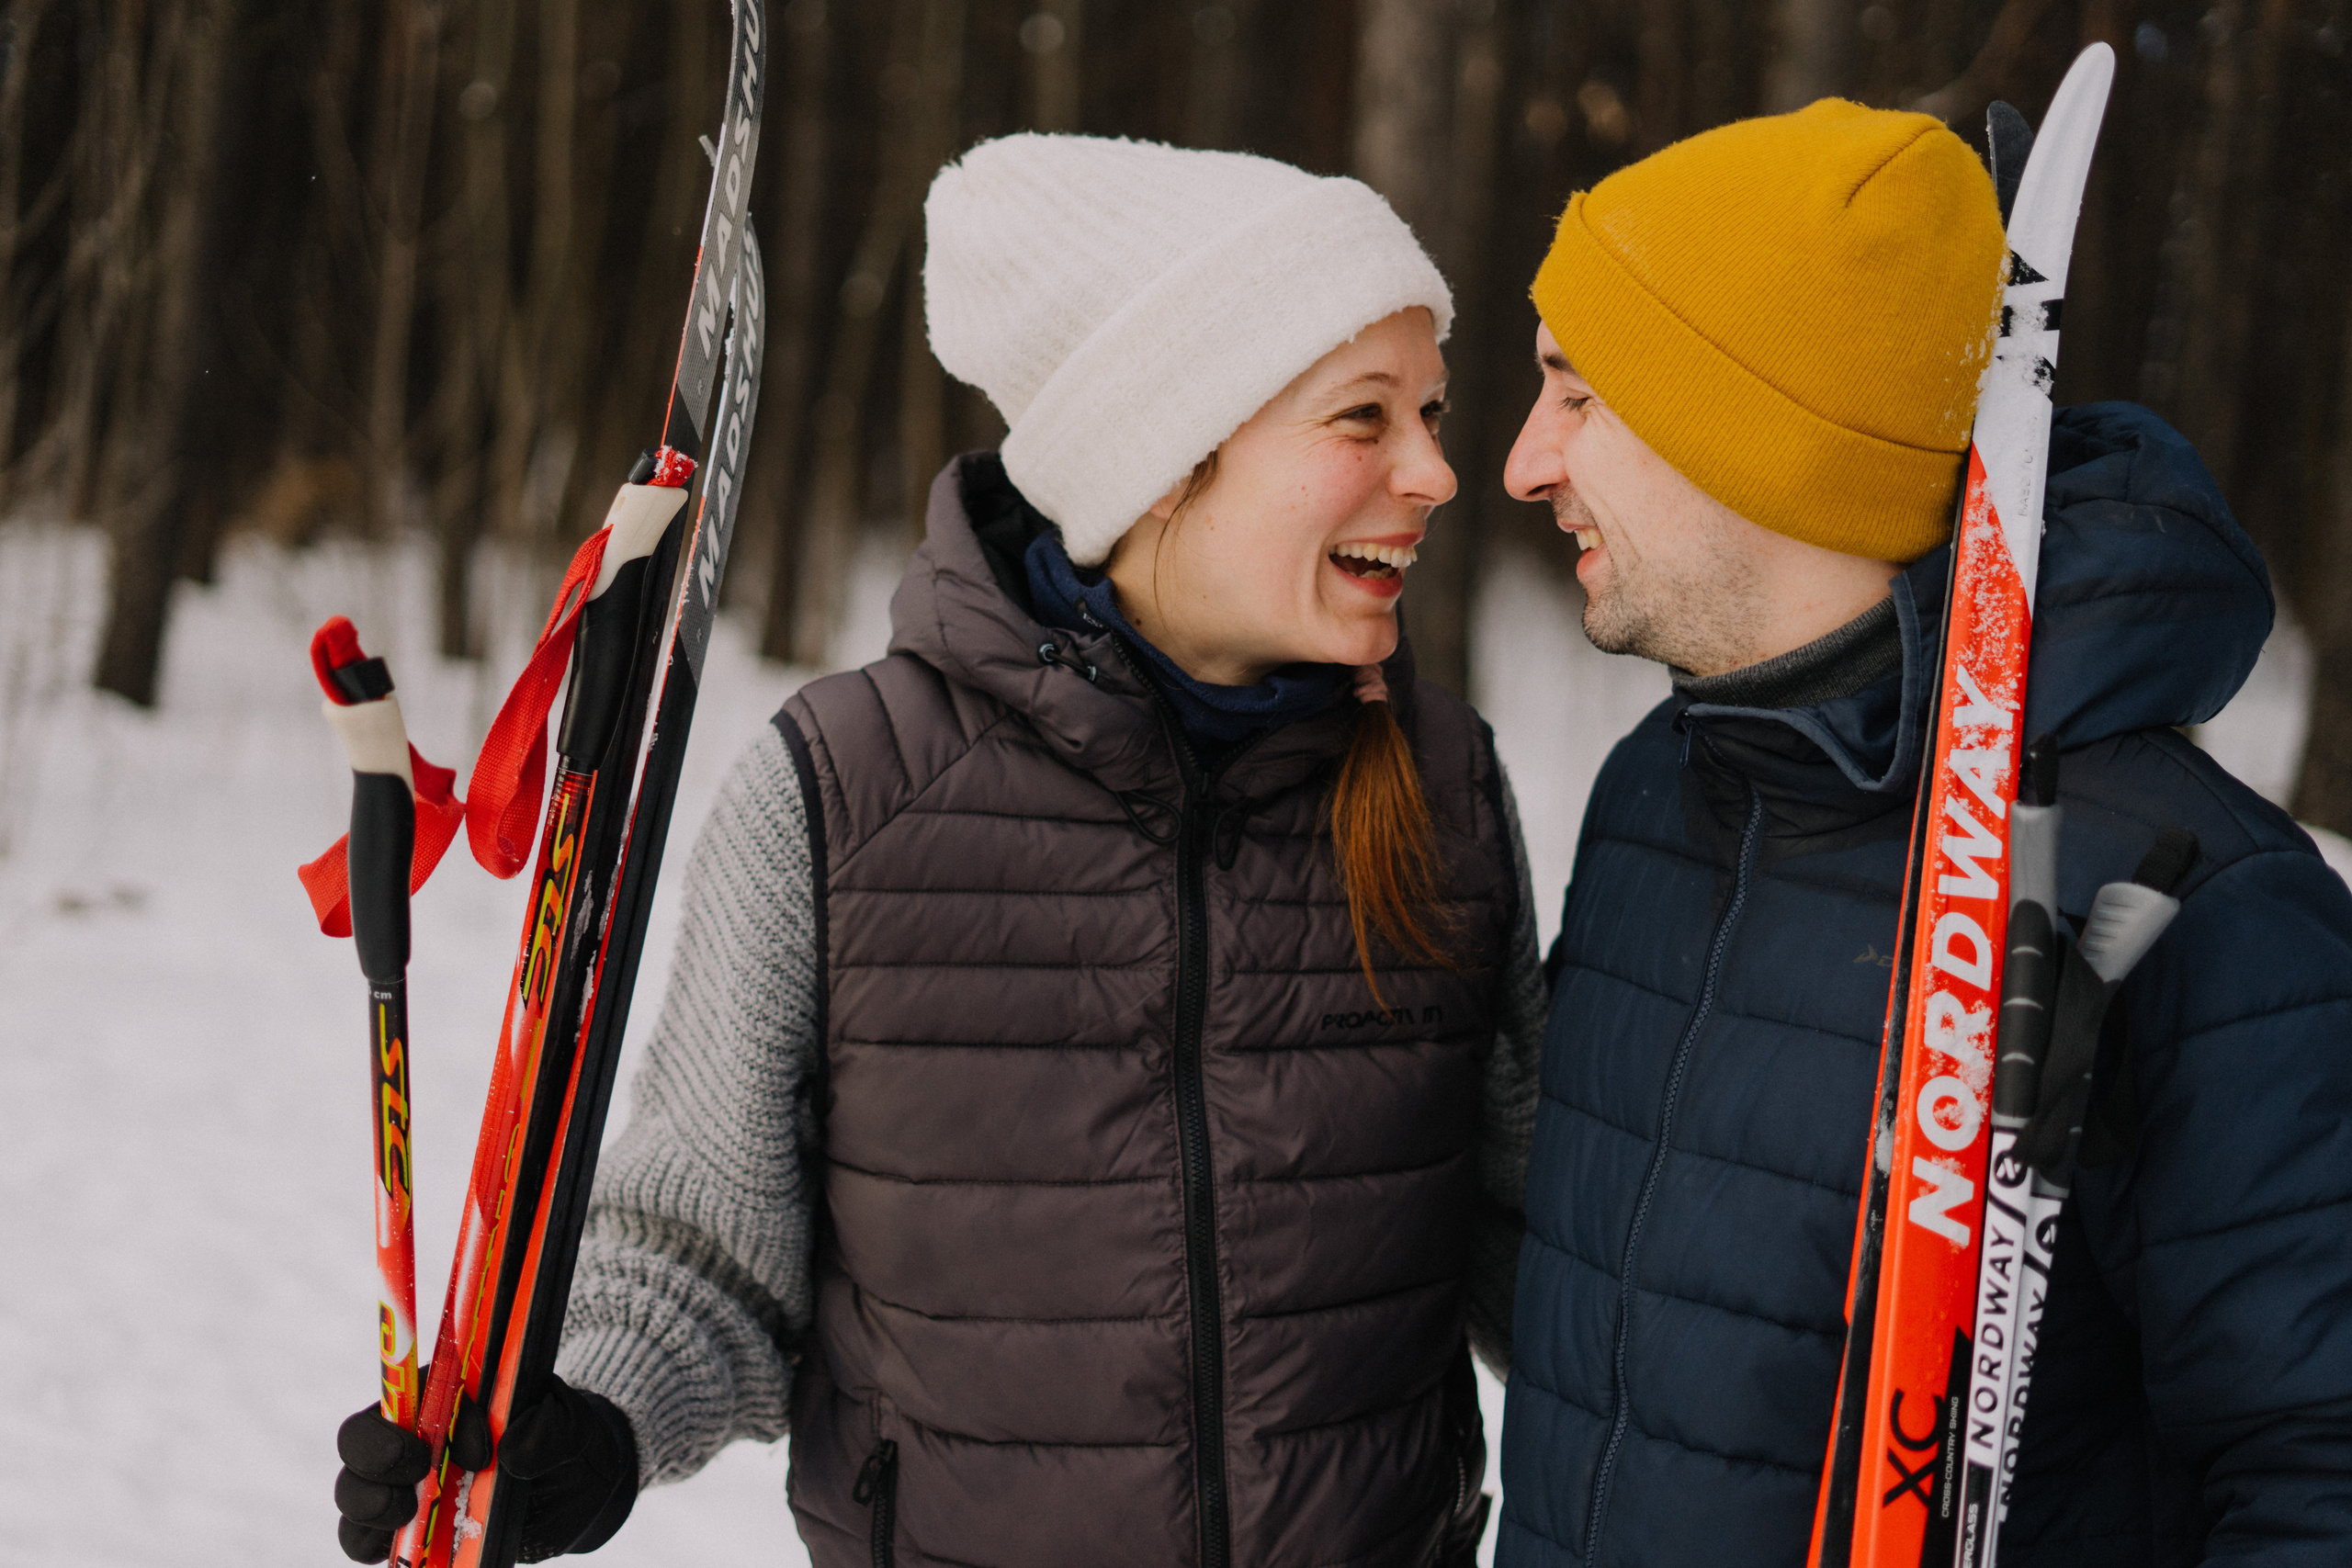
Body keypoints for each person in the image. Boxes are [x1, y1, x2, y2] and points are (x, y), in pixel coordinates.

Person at [333, 134, 1548, 1568]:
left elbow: (1541, 1253)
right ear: (1164, 459)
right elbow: (700, 1249)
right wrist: (587, 1425)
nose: (1440, 470)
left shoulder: (1438, 782)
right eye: (1366, 417)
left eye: (1432, 411)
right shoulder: (843, 797)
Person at [1493, 98, 2352, 1566]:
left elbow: (2314, 1481)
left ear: (1759, 432)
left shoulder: (2193, 901)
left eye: (1578, 394)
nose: (1524, 461)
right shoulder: (1669, 786)